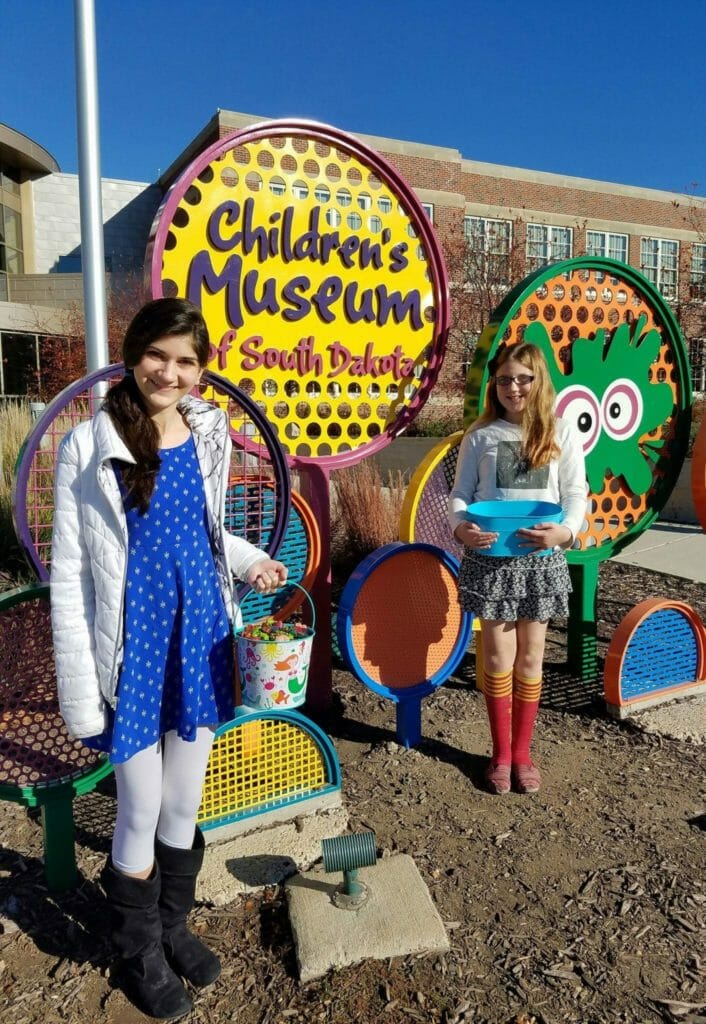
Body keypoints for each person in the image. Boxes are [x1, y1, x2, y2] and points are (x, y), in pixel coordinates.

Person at [50, 297, 288, 1019]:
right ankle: (137, 951)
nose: (171, 371)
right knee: (141, 803)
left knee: (184, 798)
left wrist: (250, 564)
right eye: (159, 354)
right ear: (133, 353)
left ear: (201, 370)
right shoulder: (90, 445)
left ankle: (172, 926)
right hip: (133, 650)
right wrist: (80, 694)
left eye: (187, 360)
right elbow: (71, 575)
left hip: (199, 639)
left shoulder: (207, 431)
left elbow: (207, 532)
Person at [448, 342, 587, 796]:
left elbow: (574, 495)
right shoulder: (480, 435)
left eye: (523, 379)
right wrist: (461, 528)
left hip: (540, 561)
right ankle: (501, 754)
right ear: (495, 384)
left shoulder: (561, 431)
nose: (513, 387)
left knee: (531, 658)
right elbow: (460, 496)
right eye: (505, 379)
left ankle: (523, 753)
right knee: (495, 658)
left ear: (539, 381)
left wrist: (564, 534)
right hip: (491, 563)